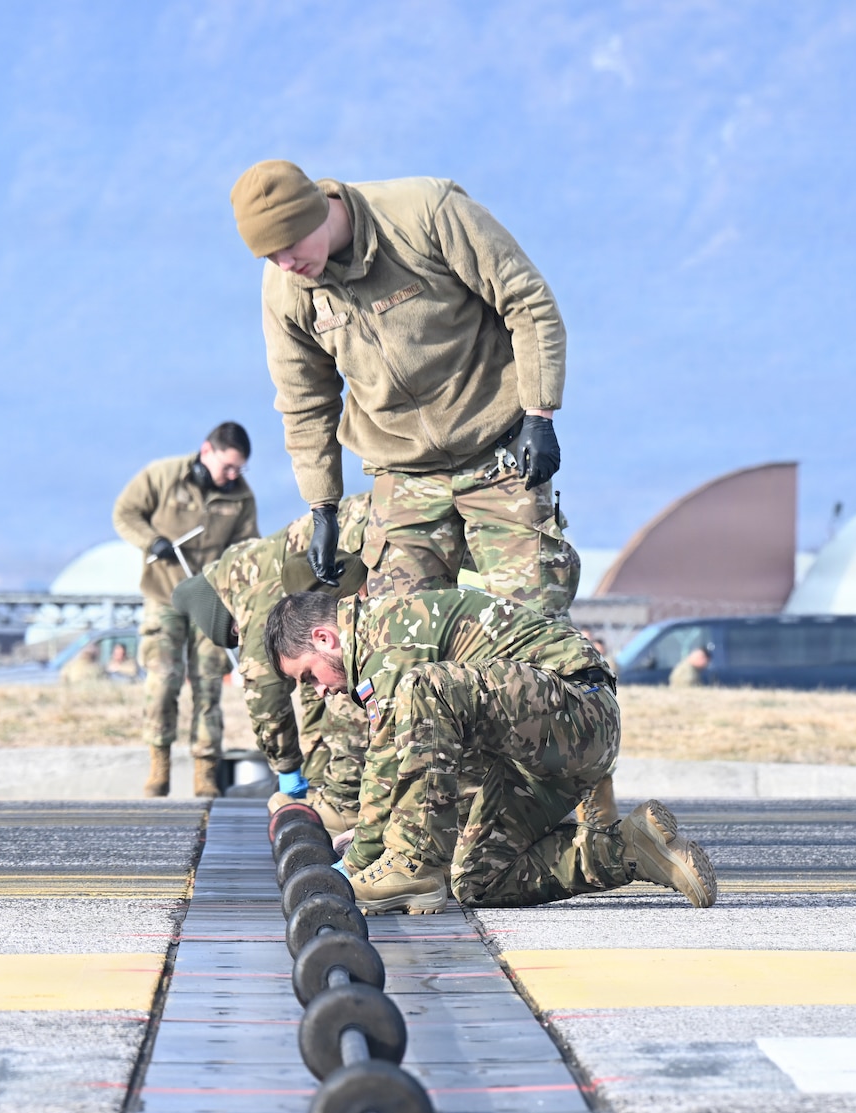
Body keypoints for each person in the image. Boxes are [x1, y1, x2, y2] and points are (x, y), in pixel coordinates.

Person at [230, 160, 581, 618]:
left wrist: (540, 413)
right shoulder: (287, 288)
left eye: (289, 245)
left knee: (531, 621)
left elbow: (528, 303)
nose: (286, 264)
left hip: (498, 447)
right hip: (403, 471)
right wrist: (323, 506)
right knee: (399, 634)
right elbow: (303, 401)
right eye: (269, 256)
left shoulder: (425, 214)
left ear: (315, 211)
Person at [265, 585, 719, 915]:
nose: (319, 691)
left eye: (308, 677)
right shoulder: (378, 653)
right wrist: (377, 834)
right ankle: (633, 849)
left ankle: (411, 862)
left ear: (324, 639)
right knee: (477, 878)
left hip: (578, 713)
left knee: (423, 689)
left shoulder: (392, 633)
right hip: (542, 749)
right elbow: (426, 766)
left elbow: (387, 760)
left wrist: (356, 864)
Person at [171, 494, 372, 833]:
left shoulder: (250, 588)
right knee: (324, 678)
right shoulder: (254, 562)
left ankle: (346, 804)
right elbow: (316, 695)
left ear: (229, 618)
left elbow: (263, 690)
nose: (246, 637)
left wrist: (288, 768)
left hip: (379, 535)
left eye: (237, 634)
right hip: (384, 523)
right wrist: (315, 779)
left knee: (350, 684)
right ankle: (335, 794)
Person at [112, 423, 259, 796]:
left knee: (209, 685)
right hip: (164, 594)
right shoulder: (163, 477)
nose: (232, 475)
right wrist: (152, 542)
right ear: (206, 452)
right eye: (227, 466)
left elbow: (247, 549)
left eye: (238, 469)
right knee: (162, 681)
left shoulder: (241, 497)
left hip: (210, 600)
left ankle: (205, 773)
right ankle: (158, 767)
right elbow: (125, 513)